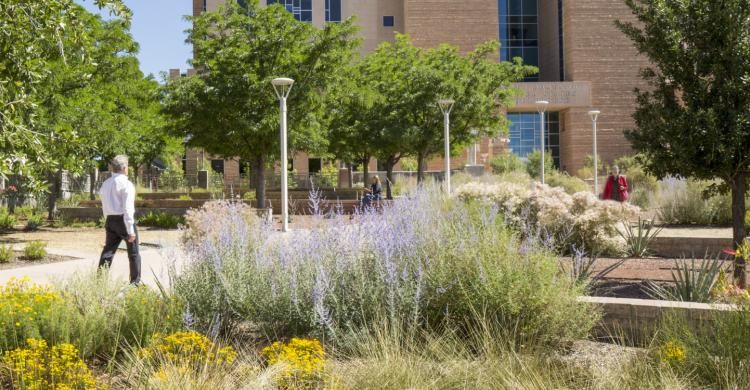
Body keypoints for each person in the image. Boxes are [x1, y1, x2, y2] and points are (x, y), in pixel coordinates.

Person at [99, 155, 141, 285]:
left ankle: (100, 281)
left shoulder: (105, 184)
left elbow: (104, 204)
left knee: (108, 251)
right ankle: (135, 283)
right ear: (124, 168)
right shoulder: (127, 184)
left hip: (110, 219)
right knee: (133, 253)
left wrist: (108, 220)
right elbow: (128, 208)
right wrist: (130, 230)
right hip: (123, 220)